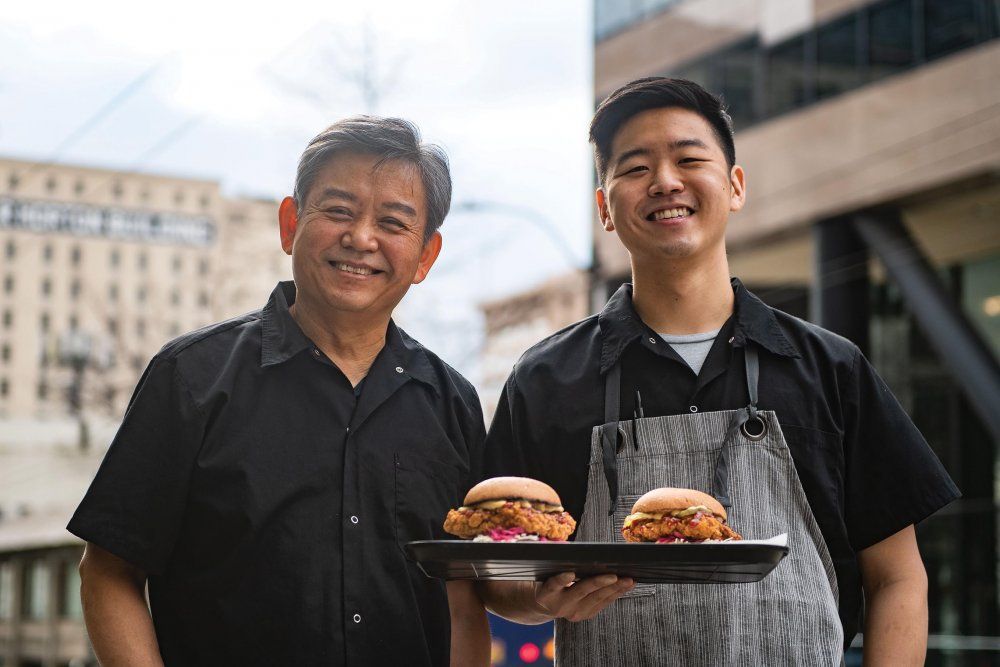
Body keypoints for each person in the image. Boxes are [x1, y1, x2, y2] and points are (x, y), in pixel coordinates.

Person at [478, 78, 959, 665]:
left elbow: (898, 580)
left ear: (735, 186)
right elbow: (498, 580)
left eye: (688, 159)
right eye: (635, 168)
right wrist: (539, 598)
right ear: (605, 209)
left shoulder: (831, 369)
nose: (665, 181)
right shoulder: (545, 379)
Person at [69, 116, 490, 666]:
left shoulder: (451, 402)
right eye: (338, 210)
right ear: (290, 223)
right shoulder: (192, 377)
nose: (361, 238)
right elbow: (109, 570)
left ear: (426, 256)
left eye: (393, 222)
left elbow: (462, 599)